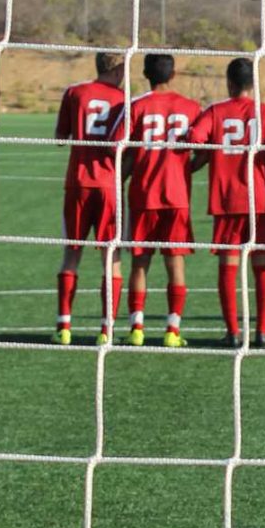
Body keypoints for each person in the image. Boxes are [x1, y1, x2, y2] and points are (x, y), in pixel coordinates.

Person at [188, 58, 265, 347]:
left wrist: (213, 153)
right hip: (258, 200)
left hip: (226, 199)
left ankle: (233, 332)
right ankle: (262, 331)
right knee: (262, 264)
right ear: (253, 84)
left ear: (229, 83)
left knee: (228, 267)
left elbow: (194, 138)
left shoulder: (216, 111)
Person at [120, 54, 202, 348]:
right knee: (175, 263)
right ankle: (172, 331)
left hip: (143, 193)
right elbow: (205, 148)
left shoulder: (137, 106)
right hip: (177, 196)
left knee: (139, 264)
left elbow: (124, 152)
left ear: (145, 74)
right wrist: (187, 168)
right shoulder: (192, 108)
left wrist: (121, 179)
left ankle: (136, 329)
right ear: (174, 74)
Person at [52, 51, 126, 346]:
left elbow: (60, 138)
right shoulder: (124, 100)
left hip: (78, 182)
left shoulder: (74, 92)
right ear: (119, 69)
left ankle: (64, 327)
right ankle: (106, 330)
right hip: (109, 184)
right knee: (112, 257)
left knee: (72, 253)